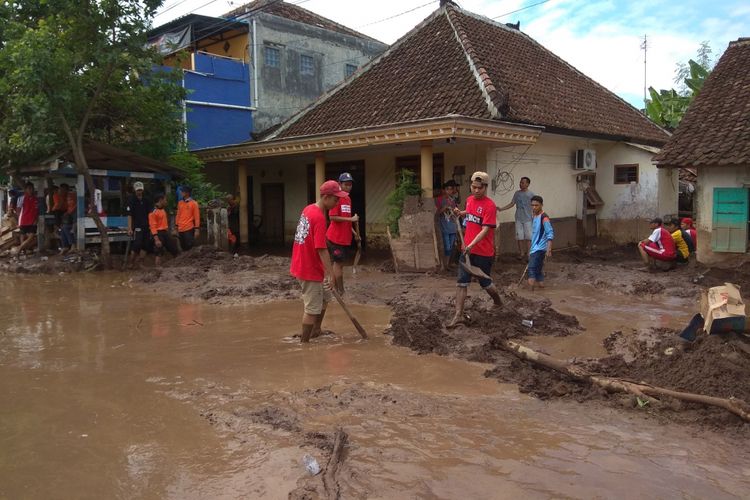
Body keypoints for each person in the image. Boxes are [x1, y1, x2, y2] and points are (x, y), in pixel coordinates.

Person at [290, 180, 347, 343]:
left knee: (325, 298)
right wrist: (331, 274)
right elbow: (321, 249)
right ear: (327, 197)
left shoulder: (308, 209)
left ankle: (316, 329)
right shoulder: (319, 217)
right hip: (309, 268)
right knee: (312, 308)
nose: (337, 202)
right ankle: (305, 342)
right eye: (336, 199)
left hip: (309, 264)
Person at [448, 171, 502, 328]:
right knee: (461, 283)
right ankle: (458, 315)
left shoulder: (490, 206)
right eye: (473, 187)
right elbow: (471, 214)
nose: (476, 190)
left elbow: (485, 229)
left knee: (485, 282)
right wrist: (461, 212)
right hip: (467, 250)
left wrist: (472, 245)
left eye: (480, 188)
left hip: (483, 252)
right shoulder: (469, 200)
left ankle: (498, 302)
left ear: (485, 187)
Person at [326, 172, 359, 294]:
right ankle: (341, 291)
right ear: (339, 184)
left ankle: (333, 289)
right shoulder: (337, 198)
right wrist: (351, 219)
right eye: (346, 184)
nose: (348, 187)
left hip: (345, 238)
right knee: (338, 264)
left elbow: (346, 220)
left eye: (350, 184)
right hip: (335, 238)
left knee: (339, 265)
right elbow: (332, 217)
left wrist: (354, 232)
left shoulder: (348, 199)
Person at [497, 176, 534, 260]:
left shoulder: (531, 194)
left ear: (527, 184)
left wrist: (537, 217)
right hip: (518, 218)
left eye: (523, 182)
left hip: (528, 219)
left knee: (529, 237)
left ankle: (528, 254)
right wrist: (501, 209)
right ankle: (521, 253)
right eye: (520, 182)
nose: (520, 184)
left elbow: (535, 206)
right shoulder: (517, 193)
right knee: (519, 237)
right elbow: (512, 203)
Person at [527, 195, 554, 290]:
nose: (534, 207)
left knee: (531, 270)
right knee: (538, 271)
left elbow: (550, 233)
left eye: (536, 205)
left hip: (539, 248)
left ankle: (531, 294)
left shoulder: (544, 218)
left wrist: (549, 249)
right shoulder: (534, 215)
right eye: (532, 205)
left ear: (541, 205)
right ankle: (541, 288)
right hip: (535, 248)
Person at [125, 181, 153, 269]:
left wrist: (152, 226)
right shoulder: (131, 200)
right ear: (135, 190)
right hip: (137, 226)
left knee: (146, 245)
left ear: (143, 190)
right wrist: (129, 228)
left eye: (140, 190)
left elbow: (150, 214)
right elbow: (129, 215)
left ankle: (141, 262)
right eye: (137, 190)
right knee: (137, 244)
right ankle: (131, 262)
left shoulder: (146, 200)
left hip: (146, 225)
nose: (139, 192)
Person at [149, 193, 179, 266]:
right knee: (159, 252)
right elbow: (152, 226)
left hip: (165, 232)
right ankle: (158, 269)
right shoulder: (153, 212)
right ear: (160, 200)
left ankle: (177, 266)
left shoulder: (163, 210)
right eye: (165, 200)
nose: (166, 201)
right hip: (158, 233)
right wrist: (156, 239)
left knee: (174, 248)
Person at [435, 179, 459, 270]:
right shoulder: (439, 199)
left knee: (451, 246)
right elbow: (436, 213)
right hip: (444, 226)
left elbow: (456, 211)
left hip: (452, 226)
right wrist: (443, 208)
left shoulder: (453, 200)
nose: (449, 191)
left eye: (450, 189)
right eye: (447, 189)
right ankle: (443, 265)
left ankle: (447, 264)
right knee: (446, 246)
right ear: (444, 190)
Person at [176, 186, 200, 251]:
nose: (181, 192)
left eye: (183, 191)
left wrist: (197, 229)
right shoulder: (180, 203)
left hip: (189, 228)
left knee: (190, 246)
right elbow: (178, 215)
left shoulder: (194, 203)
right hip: (180, 228)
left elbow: (197, 217)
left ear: (187, 193)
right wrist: (176, 225)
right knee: (183, 246)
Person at [17, 182, 39, 248]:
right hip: (23, 220)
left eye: (32, 188)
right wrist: (18, 220)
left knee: (31, 236)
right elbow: (18, 210)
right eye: (29, 188)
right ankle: (23, 252)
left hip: (33, 220)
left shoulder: (36, 199)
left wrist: (36, 219)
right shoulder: (21, 198)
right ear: (26, 189)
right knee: (22, 236)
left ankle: (19, 248)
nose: (31, 190)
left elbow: (37, 211)